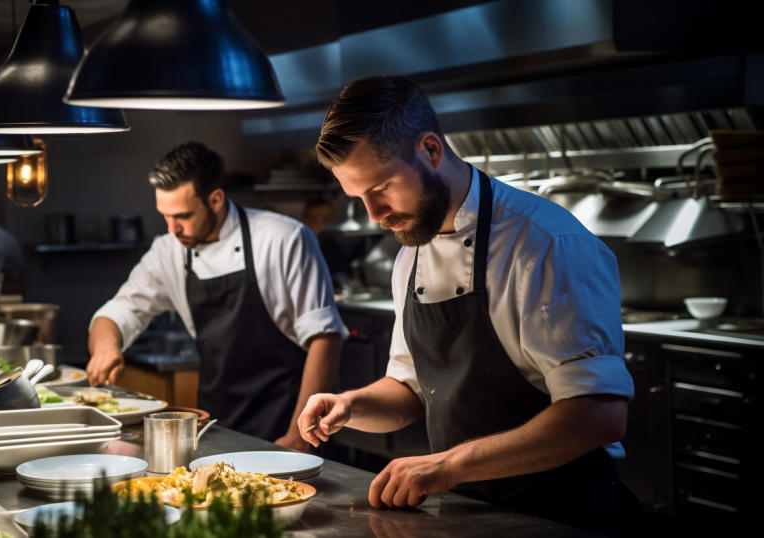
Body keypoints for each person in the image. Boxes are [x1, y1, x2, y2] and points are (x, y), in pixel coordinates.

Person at [297, 75, 639, 536]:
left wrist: (448, 466)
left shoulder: (544, 244)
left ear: (430, 150)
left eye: (381, 189)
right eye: (359, 198)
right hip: (468, 514)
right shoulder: (410, 253)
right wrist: (350, 405)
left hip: (562, 514)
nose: (374, 214)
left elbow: (598, 416)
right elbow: (410, 390)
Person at [88, 142, 346, 451]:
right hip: (216, 425)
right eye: (165, 216)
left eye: (182, 216)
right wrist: (106, 347)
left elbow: (325, 338)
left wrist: (298, 437)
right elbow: (120, 310)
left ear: (216, 199)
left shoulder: (284, 238)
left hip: (287, 420)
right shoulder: (168, 250)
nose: (172, 229)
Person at [301, 198, 351, 291]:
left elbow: (343, 275)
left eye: (325, 218)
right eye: (314, 218)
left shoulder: (333, 248)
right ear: (305, 219)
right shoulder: (299, 246)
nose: (320, 223)